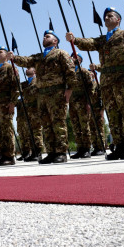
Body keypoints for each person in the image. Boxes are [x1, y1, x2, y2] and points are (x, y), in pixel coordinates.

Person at [67, 8, 124, 160]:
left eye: (110, 16)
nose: (106, 18)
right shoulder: (103, 40)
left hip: (123, 79)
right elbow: (89, 43)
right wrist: (74, 40)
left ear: (118, 19)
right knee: (113, 114)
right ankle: (119, 145)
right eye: (105, 16)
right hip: (107, 82)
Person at [13, 31, 77, 164]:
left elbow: (70, 71)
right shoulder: (39, 56)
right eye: (44, 36)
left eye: (48, 36)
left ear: (55, 41)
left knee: (58, 122)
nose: (44, 37)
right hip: (42, 95)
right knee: (46, 124)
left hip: (57, 93)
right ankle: (51, 152)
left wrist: (69, 89)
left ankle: (61, 152)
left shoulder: (61, 53)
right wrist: (14, 58)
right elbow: (26, 61)